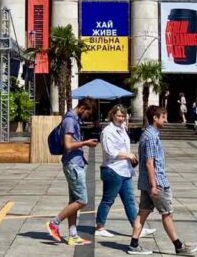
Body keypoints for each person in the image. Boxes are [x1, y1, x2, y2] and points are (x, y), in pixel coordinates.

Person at [128, 105, 197, 255]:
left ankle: (134, 244)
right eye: (163, 117)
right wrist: (154, 185)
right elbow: (149, 162)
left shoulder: (148, 134)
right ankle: (179, 246)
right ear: (155, 118)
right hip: (156, 182)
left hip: (146, 182)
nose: (165, 120)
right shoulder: (151, 136)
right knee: (167, 213)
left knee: (142, 213)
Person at [95, 105, 155, 239]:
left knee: (130, 200)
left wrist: (130, 155)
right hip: (112, 169)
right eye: (119, 116)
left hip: (125, 170)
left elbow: (124, 146)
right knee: (108, 200)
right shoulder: (108, 131)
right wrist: (128, 155)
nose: (121, 118)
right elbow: (110, 152)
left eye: (123, 116)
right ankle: (100, 227)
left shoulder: (122, 129)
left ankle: (137, 227)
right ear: (112, 115)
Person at [47, 97, 99, 247]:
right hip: (73, 165)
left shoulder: (73, 119)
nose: (87, 117)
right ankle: (54, 223)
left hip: (75, 163)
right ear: (82, 108)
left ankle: (73, 235)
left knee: (74, 201)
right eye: (88, 113)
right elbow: (68, 145)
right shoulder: (70, 120)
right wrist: (86, 143)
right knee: (82, 200)